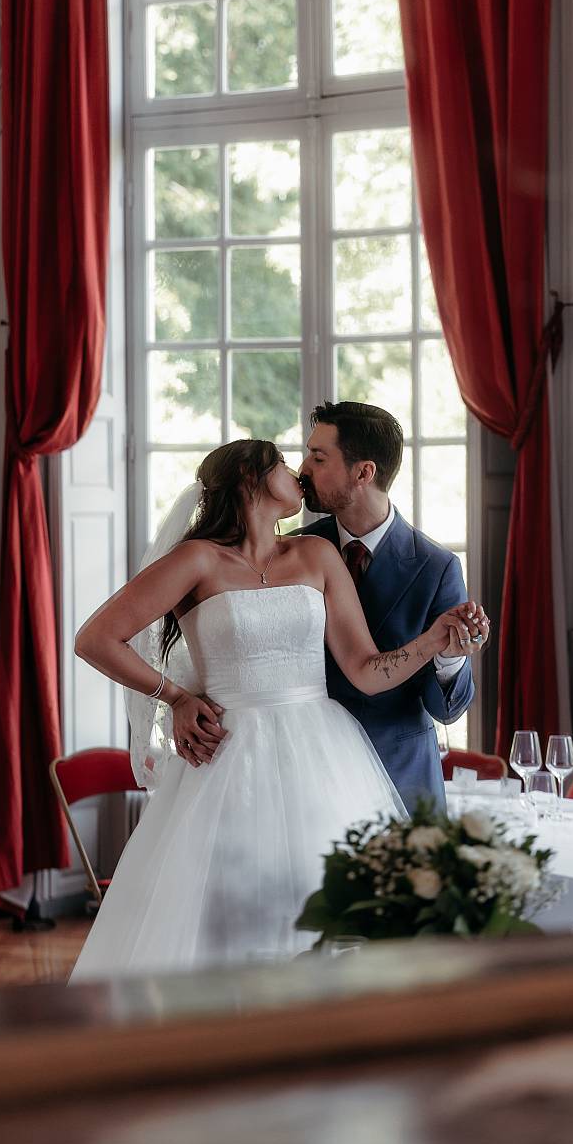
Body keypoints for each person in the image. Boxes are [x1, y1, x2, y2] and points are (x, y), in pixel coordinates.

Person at [68, 438, 480, 980]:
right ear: (250, 476)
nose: (299, 474)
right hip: (229, 757)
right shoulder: (197, 559)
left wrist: (434, 643)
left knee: (329, 911)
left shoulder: (316, 555)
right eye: (287, 464)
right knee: (229, 917)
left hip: (323, 755)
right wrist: (177, 697)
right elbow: (96, 638)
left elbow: (364, 670)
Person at [296, 401, 485, 814]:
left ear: (364, 472)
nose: (303, 468)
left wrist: (449, 658)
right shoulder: (296, 550)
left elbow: (448, 711)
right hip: (306, 776)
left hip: (398, 779)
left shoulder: (436, 567)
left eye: (318, 456)